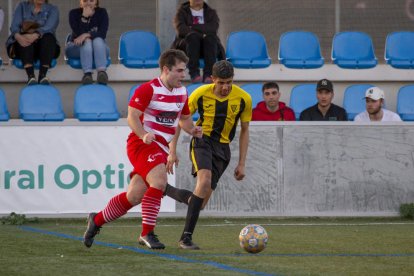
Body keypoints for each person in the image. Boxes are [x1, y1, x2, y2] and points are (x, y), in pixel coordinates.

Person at [83, 49, 203, 250]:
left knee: (135, 196)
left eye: (184, 71)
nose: (184, 75)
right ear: (166, 69)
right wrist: (143, 134)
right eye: (180, 71)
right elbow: (131, 117)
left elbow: (183, 120)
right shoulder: (148, 89)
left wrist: (193, 130)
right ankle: (147, 233)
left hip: (160, 147)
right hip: (141, 144)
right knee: (159, 180)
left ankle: (97, 220)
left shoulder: (182, 92)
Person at [164, 60, 252, 249]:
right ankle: (185, 238)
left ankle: (164, 189)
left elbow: (245, 131)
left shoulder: (244, 99)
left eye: (229, 82)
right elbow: (180, 119)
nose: (226, 87)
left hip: (223, 150)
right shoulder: (199, 94)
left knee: (200, 203)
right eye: (221, 82)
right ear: (212, 79)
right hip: (202, 142)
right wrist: (172, 150)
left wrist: (242, 163)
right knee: (203, 181)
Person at [6, 0, 60, 85]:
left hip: (43, 46)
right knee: (25, 37)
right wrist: (18, 36)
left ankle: (42, 76)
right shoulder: (22, 6)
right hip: (22, 44)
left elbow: (49, 27)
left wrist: (35, 35)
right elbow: (14, 26)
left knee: (48, 37)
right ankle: (31, 76)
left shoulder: (53, 9)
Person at [171, 0, 225, 84]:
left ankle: (208, 74)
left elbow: (213, 29)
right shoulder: (181, 12)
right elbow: (181, 30)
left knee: (210, 38)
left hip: (208, 47)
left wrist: (191, 27)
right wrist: (201, 33)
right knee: (193, 37)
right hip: (188, 47)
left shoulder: (211, 12)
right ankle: (194, 74)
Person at [65, 0, 110, 85]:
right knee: (87, 42)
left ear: (96, 2)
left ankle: (101, 73)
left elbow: (102, 34)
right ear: (81, 2)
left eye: (91, 1)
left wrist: (86, 34)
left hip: (99, 48)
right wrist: (84, 17)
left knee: (98, 40)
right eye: (85, 1)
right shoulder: (73, 13)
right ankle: (87, 75)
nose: (88, 3)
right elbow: (78, 33)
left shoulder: (102, 12)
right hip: (76, 47)